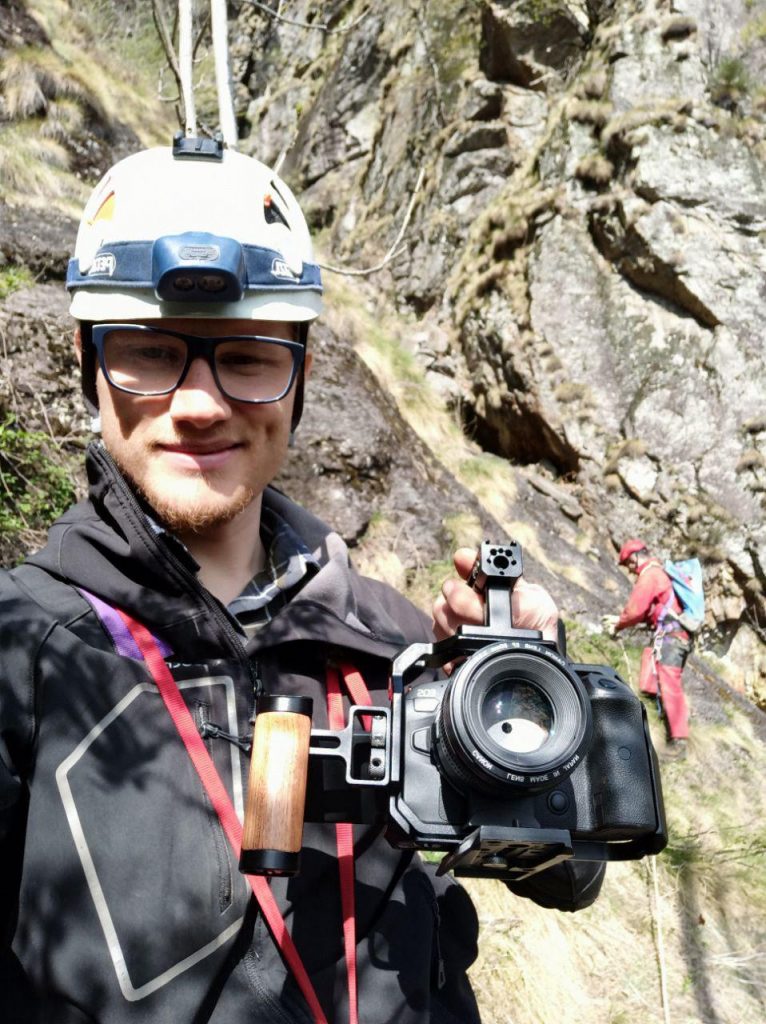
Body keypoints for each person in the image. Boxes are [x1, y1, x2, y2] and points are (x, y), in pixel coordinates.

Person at [0, 140, 604, 1024]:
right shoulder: (23, 648)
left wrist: (523, 703)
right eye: (149, 351)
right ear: (94, 368)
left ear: (302, 379)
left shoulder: (394, 645)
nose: (200, 403)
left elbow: (568, 877)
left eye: (246, 357)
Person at [604, 538, 692, 756]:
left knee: (669, 682)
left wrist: (618, 623)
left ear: (636, 557)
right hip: (675, 635)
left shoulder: (650, 575)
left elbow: (635, 610)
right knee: (657, 680)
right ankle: (666, 728)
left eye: (629, 564)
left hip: (671, 637)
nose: (631, 570)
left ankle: (679, 742)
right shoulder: (659, 573)